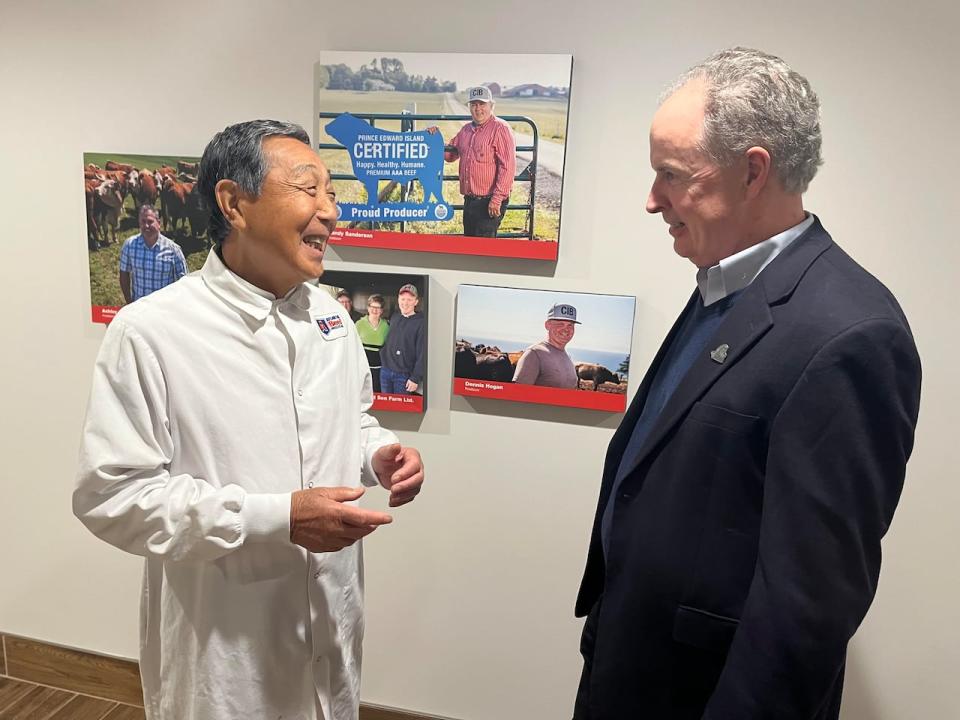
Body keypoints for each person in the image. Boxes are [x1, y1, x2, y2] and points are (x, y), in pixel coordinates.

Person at [574, 48, 921, 720]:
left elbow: (805, 612)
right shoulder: (727, 281)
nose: (652, 201)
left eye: (670, 176)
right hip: (636, 665)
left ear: (753, 171)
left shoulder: (849, 335)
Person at [74, 120, 425, 720]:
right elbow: (111, 495)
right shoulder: (152, 331)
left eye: (332, 192)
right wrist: (276, 517)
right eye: (308, 189)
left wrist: (380, 450)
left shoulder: (331, 318)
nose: (330, 212)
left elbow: (353, 415)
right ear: (234, 203)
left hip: (329, 629)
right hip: (225, 658)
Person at [428, 86, 516, 237]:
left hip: (489, 201)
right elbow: (450, 155)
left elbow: (507, 167)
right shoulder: (466, 131)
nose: (478, 109)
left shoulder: (500, 129)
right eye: (474, 104)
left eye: (482, 104)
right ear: (469, 107)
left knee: (483, 251)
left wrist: (497, 199)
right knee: (469, 244)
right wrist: (434, 140)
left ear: (491, 106)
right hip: (470, 201)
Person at [118, 204, 187, 304]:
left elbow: (183, 282)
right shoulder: (129, 245)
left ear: (159, 223)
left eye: (150, 222)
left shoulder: (174, 250)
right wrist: (129, 302)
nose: (146, 226)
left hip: (163, 308)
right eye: (143, 221)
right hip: (139, 308)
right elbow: (124, 274)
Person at [512, 303, 580, 388]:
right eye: (560, 324)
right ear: (547, 325)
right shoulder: (534, 354)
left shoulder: (567, 357)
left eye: (570, 325)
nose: (566, 329)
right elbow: (518, 394)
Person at [379, 283, 425, 395]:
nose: (405, 303)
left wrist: (415, 378)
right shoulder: (395, 317)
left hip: (404, 376)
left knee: (401, 410)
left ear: (416, 302)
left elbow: (423, 354)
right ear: (398, 299)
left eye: (409, 299)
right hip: (385, 371)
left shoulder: (421, 323)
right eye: (403, 299)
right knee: (386, 408)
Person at [356, 293, 389, 392]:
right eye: (372, 306)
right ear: (368, 308)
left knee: (378, 395)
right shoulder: (359, 324)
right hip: (363, 368)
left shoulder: (386, 326)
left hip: (380, 369)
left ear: (382, 310)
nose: (375, 310)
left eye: (378, 308)